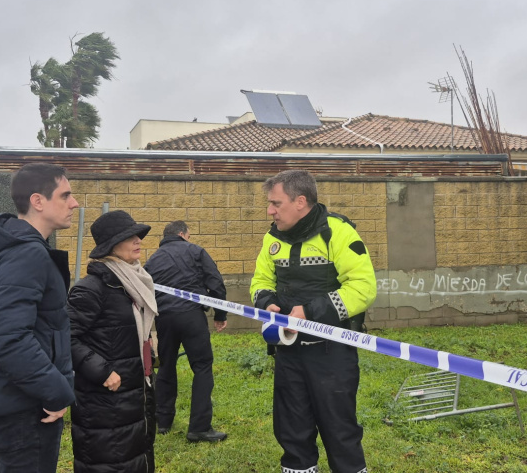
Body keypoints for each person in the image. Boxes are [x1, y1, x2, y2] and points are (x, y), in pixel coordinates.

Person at [250, 170, 377, 473]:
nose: (270, 211)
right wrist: (268, 303)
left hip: (332, 352)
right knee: (292, 432)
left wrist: (308, 312)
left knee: (340, 431)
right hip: (289, 352)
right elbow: (260, 280)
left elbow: (363, 288)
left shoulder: (339, 233)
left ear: (300, 201)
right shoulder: (272, 238)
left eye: (275, 203)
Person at [0, 163, 79, 473]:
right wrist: (55, 393)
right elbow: (10, 338)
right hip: (25, 411)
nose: (75, 203)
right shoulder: (24, 253)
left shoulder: (6, 247)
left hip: (7, 403)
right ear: (38, 201)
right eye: (65, 195)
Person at [67, 210, 157, 472]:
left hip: (135, 391)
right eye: (130, 236)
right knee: (110, 462)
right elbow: (63, 336)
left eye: (138, 235)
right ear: (111, 246)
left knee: (137, 458)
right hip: (105, 402)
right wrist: (103, 371)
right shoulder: (91, 288)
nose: (138, 240)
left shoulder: (135, 281)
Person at [144, 220, 229, 442]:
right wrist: (220, 315)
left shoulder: (153, 259)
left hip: (164, 319)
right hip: (192, 316)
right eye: (189, 235)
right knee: (202, 367)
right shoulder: (196, 251)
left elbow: (144, 289)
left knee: (166, 366)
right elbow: (216, 283)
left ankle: (162, 422)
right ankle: (199, 428)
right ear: (183, 234)